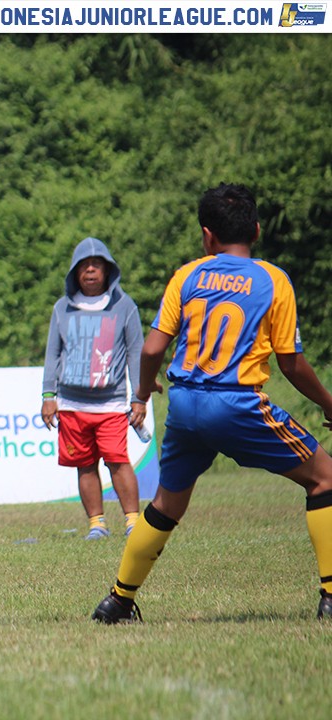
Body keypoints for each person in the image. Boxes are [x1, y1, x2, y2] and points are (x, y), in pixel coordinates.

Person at [92, 183, 332, 624]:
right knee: (325, 479)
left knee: (166, 504)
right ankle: (331, 595)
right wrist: (329, 404)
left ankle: (117, 601)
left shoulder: (188, 275)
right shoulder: (273, 280)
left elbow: (150, 351)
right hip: (237, 403)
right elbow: (292, 364)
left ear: (207, 235)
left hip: (185, 403)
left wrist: (142, 395)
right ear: (257, 230)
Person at [41, 238, 144, 540]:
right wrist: (49, 396)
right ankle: (96, 524)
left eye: (96, 265)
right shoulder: (62, 309)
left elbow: (137, 352)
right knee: (84, 465)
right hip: (72, 404)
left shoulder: (124, 307)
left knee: (117, 460)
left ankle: (133, 522)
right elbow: (52, 354)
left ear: (108, 271)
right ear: (74, 272)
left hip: (111, 404)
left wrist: (139, 397)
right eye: (84, 266)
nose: (90, 271)